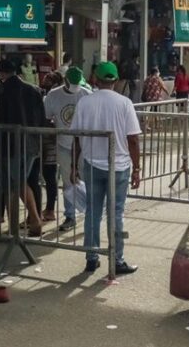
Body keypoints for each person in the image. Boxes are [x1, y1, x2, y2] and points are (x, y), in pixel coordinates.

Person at [70, 61, 140, 275]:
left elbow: (76, 137)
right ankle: (117, 259)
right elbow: (133, 140)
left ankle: (91, 257)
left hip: (92, 164)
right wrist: (137, 168)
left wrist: (74, 165)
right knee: (116, 213)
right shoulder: (125, 103)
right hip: (119, 166)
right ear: (116, 80)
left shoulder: (84, 103)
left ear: (95, 80)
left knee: (93, 212)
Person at [0, 59, 46, 236]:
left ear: (0, 73)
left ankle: (29, 221)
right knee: (20, 181)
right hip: (31, 142)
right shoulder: (33, 89)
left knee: (13, 184)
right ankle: (29, 222)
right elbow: (41, 117)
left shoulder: (3, 92)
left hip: (10, 144)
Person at [44, 67, 91, 232]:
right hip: (63, 144)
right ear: (65, 80)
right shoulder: (53, 95)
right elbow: (47, 117)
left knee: (87, 180)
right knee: (68, 182)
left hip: (85, 145)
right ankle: (70, 215)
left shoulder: (86, 94)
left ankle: (91, 214)